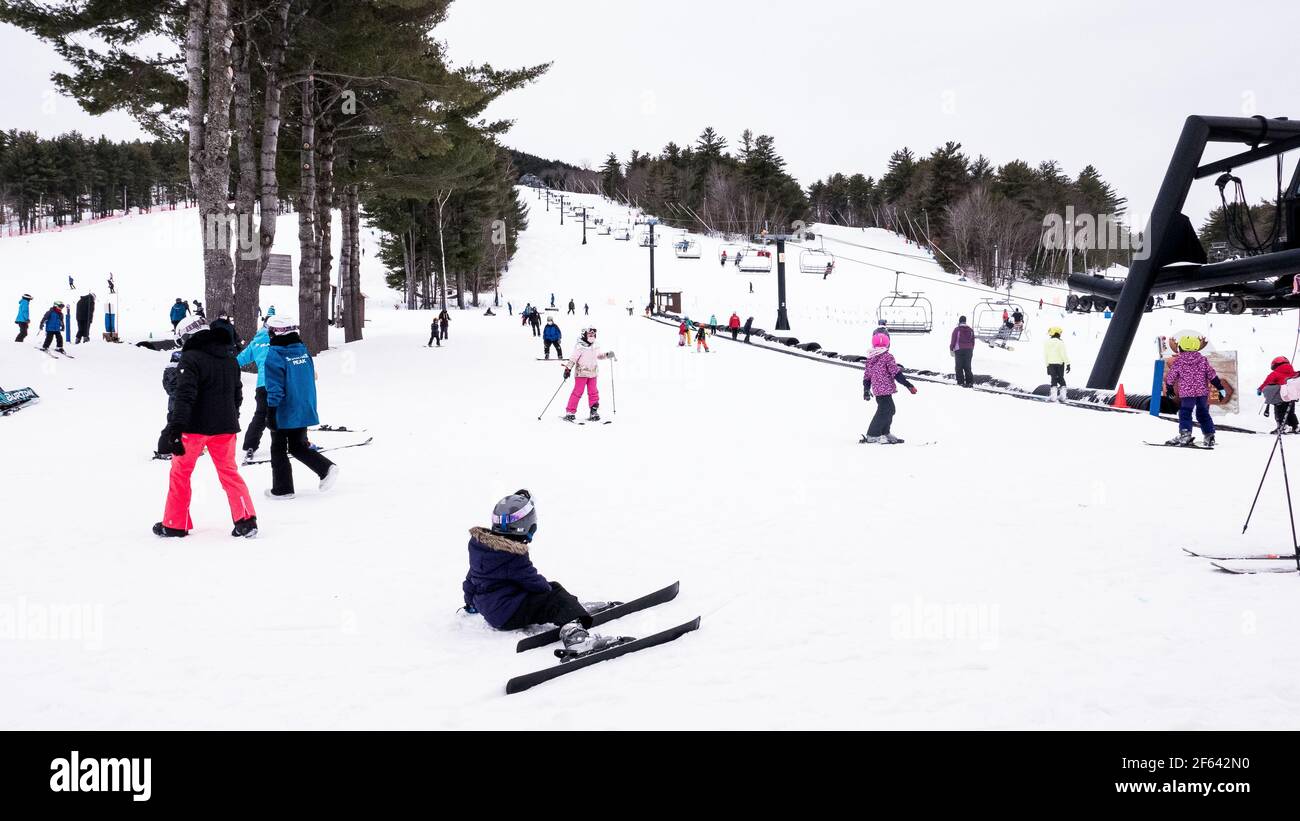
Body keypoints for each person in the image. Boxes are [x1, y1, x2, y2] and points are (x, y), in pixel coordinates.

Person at [462, 490, 623, 654]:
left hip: (492, 610)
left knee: (552, 592)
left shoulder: (481, 548)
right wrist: (552, 597)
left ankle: (571, 608)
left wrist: (470, 603)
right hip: (508, 614)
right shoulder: (512, 554)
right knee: (554, 595)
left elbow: (471, 579)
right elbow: (535, 584)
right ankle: (575, 637)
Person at [153, 316, 258, 538]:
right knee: (230, 473)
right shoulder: (230, 359)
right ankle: (246, 520)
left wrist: (175, 427)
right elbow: (237, 395)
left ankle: (174, 524)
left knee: (180, 474)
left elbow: (184, 396)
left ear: (186, 336)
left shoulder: (190, 359)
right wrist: (231, 416)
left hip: (193, 429)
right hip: (225, 428)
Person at [262, 316, 340, 499]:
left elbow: (275, 387)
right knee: (297, 446)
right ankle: (325, 468)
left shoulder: (275, 354)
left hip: (284, 409)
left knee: (278, 448)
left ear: (275, 332)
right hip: (303, 406)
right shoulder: (302, 350)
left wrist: (271, 412)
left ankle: (283, 489)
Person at [1163, 335, 1226, 447]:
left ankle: (1186, 434)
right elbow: (1212, 375)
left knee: (1185, 412)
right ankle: (1209, 435)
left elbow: (1171, 377)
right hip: (1202, 393)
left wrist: (1169, 388)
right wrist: (1220, 388)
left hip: (1187, 394)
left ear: (1181, 348)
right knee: (1203, 413)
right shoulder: (1202, 360)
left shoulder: (1179, 361)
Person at [862, 330, 916, 444]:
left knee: (890, 410)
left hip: (878, 390)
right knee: (884, 410)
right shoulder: (887, 356)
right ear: (888, 344)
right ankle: (873, 434)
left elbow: (867, 377)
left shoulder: (870, 358)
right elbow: (896, 373)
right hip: (884, 390)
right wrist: (908, 385)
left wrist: (866, 390)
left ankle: (884, 432)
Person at [236, 321, 272, 462]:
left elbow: (239, 360)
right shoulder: (278, 339)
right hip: (279, 384)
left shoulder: (255, 342)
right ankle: (300, 441)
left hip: (262, 385)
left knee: (260, 415)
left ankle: (250, 444)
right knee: (288, 411)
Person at [562, 327, 615, 422]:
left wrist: (607, 355)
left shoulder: (595, 345)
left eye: (593, 334)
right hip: (581, 373)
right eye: (589, 334)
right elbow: (573, 359)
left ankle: (593, 411)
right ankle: (570, 412)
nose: (592, 336)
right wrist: (568, 369)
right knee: (578, 392)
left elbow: (598, 356)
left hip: (593, 373)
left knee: (593, 392)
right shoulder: (580, 346)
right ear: (584, 335)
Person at [1259, 355, 1299, 433]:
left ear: (1275, 365)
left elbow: (1267, 383)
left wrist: (1260, 389)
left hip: (1280, 397)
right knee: (1290, 412)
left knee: (1280, 412)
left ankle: (1283, 427)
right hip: (1291, 397)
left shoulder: (1275, 374)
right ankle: (1295, 426)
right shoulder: (1293, 373)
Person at [1044, 326, 1070, 402]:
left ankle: (1053, 397)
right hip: (1060, 363)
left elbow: (1046, 355)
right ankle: (1063, 396)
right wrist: (1068, 364)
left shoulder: (1047, 342)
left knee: (1053, 378)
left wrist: (1047, 366)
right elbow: (1063, 354)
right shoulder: (1060, 342)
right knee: (1061, 378)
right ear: (1057, 333)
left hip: (1051, 363)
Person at [950, 315, 976, 388]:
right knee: (968, 367)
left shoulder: (957, 330)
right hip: (969, 350)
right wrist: (971, 348)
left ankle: (961, 383)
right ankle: (970, 383)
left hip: (959, 350)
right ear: (965, 321)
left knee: (959, 367)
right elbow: (973, 341)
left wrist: (951, 349)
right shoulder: (971, 330)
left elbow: (953, 340)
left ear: (959, 321)